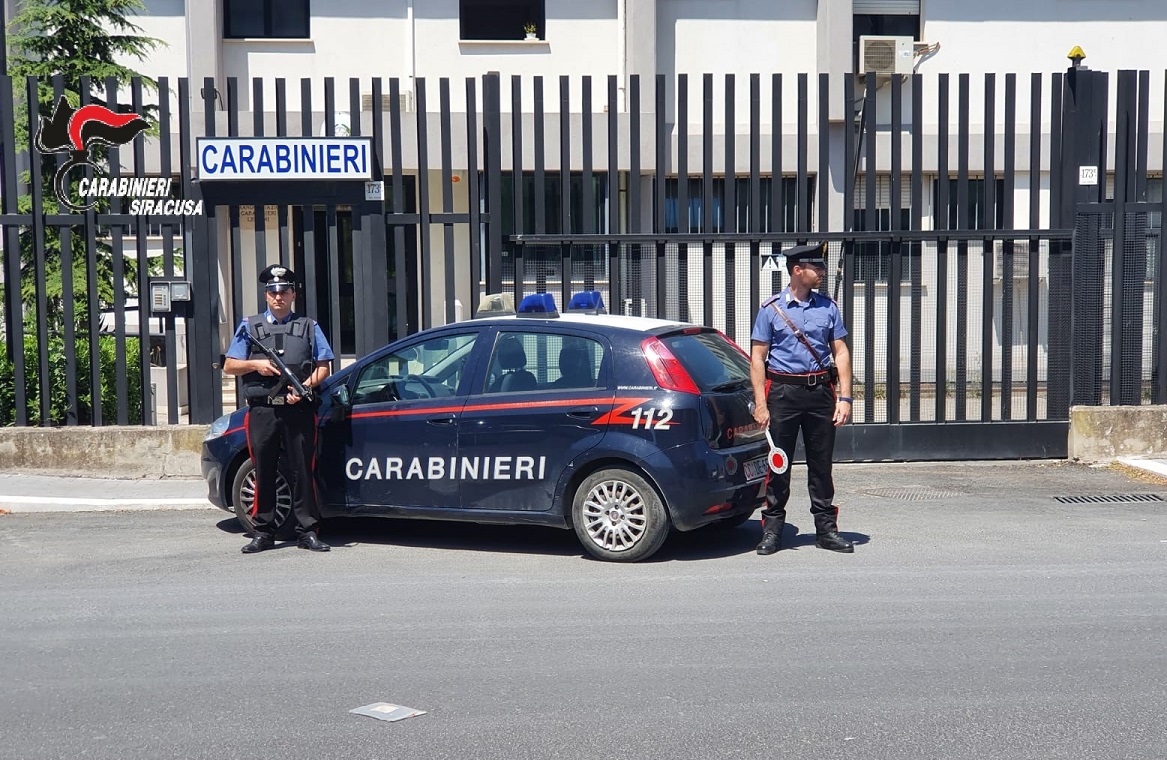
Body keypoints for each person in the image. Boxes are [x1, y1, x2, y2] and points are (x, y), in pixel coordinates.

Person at [749, 242, 854, 555]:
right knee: (778, 465)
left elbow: (841, 352)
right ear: (797, 270)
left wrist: (845, 398)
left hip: (820, 393)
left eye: (822, 266)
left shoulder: (828, 307)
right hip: (783, 394)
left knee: (821, 465)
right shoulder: (770, 309)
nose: (822, 271)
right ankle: (772, 532)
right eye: (816, 267)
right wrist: (761, 404)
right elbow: (758, 358)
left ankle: (826, 531)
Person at [223, 265, 335, 554]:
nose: (278, 297)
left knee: (302, 470)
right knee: (263, 470)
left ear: (293, 295)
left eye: (284, 292)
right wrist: (256, 364)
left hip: (298, 410)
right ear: (266, 295)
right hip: (263, 411)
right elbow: (230, 365)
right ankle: (263, 531)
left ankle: (307, 531)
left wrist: (305, 387)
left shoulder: (309, 326)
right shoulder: (249, 326)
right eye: (273, 292)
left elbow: (324, 367)